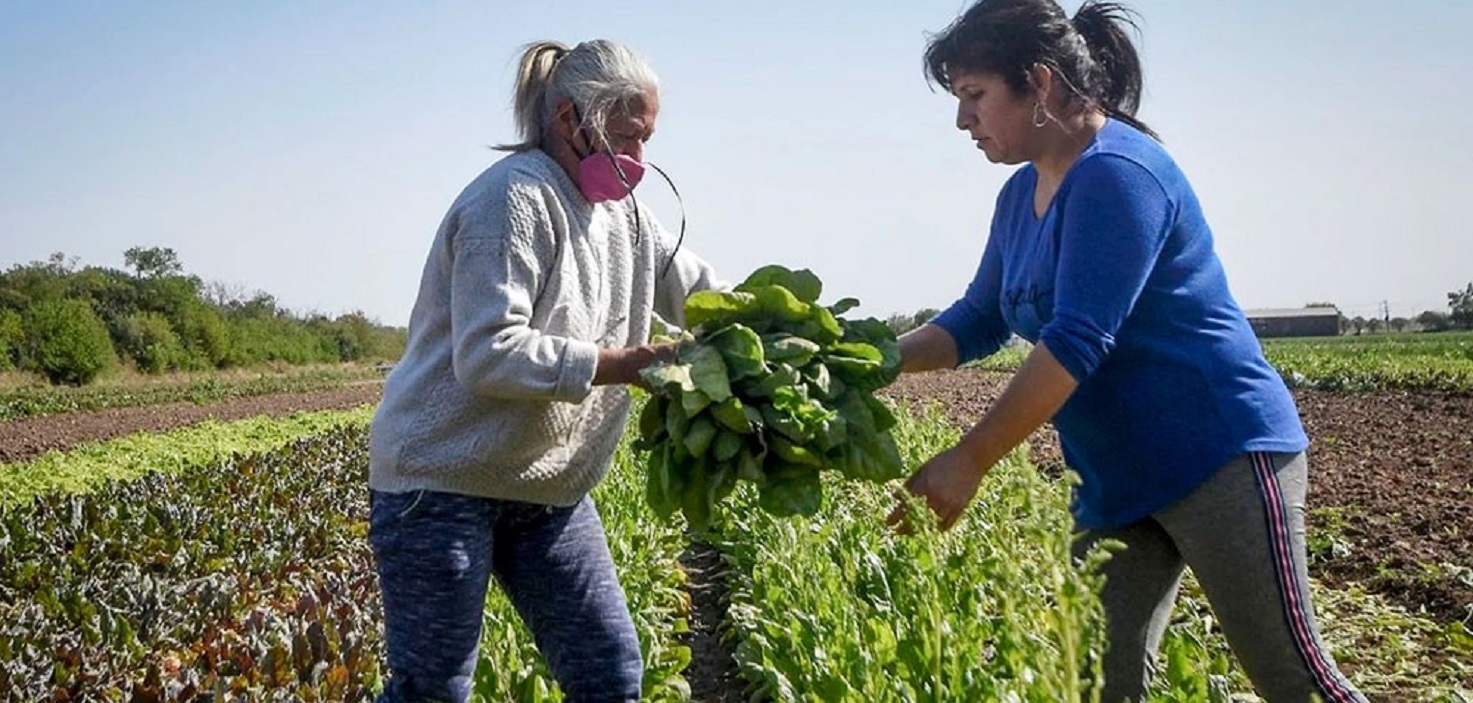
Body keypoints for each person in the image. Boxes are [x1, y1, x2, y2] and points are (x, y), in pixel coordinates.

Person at [889, 1, 1366, 701]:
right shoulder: (1019, 193)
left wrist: (969, 459)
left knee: (1292, 678)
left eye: (973, 96)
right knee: (1097, 687)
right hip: (1115, 485)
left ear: (1040, 83)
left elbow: (1076, 340)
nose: (963, 120)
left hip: (1218, 456)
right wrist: (865, 355)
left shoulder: (1118, 174)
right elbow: (979, 318)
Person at [366, 39, 722, 703]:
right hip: (438, 482)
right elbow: (487, 352)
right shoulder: (509, 201)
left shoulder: (628, 216)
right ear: (569, 121)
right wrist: (620, 364)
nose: (640, 160)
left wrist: (781, 328)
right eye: (626, 137)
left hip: (546, 490)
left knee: (610, 675)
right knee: (432, 689)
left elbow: (704, 295)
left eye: (647, 139)